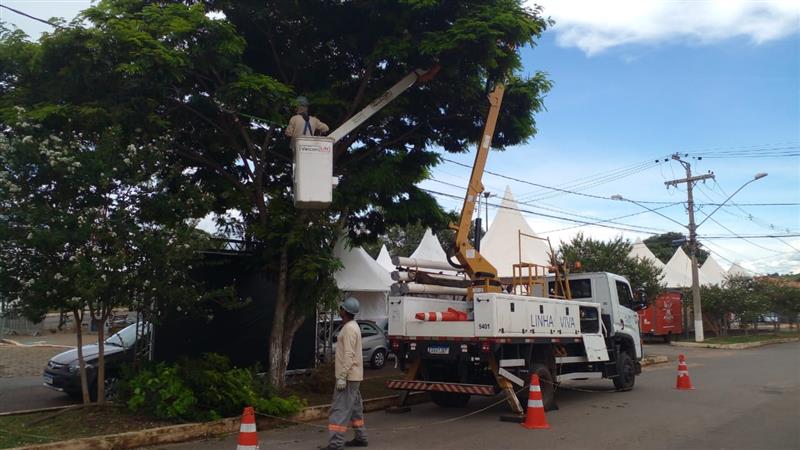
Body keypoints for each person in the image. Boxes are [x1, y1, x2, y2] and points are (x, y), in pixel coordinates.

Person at [323, 297, 367, 449]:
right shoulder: (353, 326)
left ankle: (335, 444)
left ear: (345, 312)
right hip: (354, 376)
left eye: (341, 308)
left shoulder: (348, 329)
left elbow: (349, 355)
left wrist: (342, 376)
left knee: (339, 410)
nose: (339, 310)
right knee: (355, 408)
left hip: (347, 377)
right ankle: (361, 437)